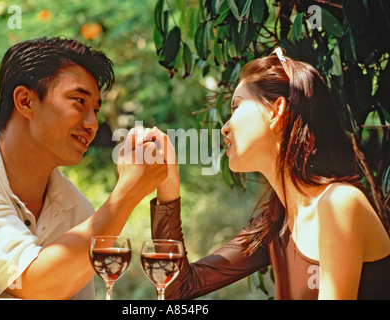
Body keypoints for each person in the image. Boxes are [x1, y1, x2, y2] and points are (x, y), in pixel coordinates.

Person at [148, 48, 390, 300]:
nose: (225, 127)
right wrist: (167, 185)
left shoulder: (339, 203)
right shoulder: (277, 222)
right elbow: (177, 288)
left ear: (276, 111)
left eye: (237, 106)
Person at [0, 37, 168, 300]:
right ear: (26, 101)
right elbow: (37, 283)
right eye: (79, 101)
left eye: (95, 110)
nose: (92, 124)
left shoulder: (78, 210)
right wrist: (127, 193)